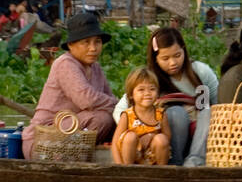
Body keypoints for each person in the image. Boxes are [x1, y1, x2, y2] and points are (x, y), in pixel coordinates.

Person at [112, 27, 219, 165]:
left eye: (177, 55)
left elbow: (219, 104)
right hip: (167, 140)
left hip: (199, 135)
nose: (173, 62)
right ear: (155, 58)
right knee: (176, 113)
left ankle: (194, 162)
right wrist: (143, 132)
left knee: (209, 111)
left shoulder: (200, 72)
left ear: (184, 50)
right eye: (165, 58)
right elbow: (120, 110)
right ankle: (175, 163)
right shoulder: (150, 80)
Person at [22, 10, 118, 159]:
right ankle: (69, 158)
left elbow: (109, 99)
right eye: (86, 42)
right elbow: (87, 100)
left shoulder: (96, 68)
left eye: (97, 42)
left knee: (116, 119)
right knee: (102, 119)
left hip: (71, 136)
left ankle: (87, 155)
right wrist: (118, 104)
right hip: (43, 141)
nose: (93, 48)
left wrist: (122, 108)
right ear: (71, 45)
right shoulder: (65, 63)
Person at [112, 67, 172, 165]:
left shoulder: (160, 114)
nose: (147, 93)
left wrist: (151, 136)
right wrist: (119, 166)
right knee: (130, 137)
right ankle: (128, 170)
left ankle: (161, 172)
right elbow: (115, 143)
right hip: (132, 157)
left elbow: (167, 139)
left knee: (161, 139)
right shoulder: (127, 115)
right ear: (131, 94)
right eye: (141, 90)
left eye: (152, 89)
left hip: (151, 157)